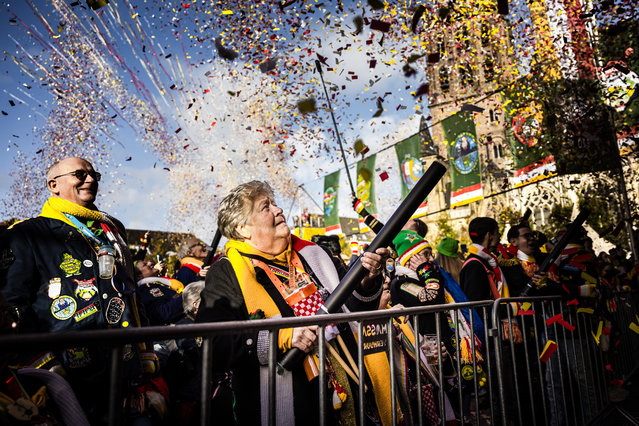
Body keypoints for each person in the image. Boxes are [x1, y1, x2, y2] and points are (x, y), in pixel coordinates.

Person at [196, 181, 390, 425]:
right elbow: (214, 343)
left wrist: (367, 282)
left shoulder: (315, 254)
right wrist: (280, 338)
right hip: (294, 407)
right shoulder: (226, 272)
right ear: (242, 227)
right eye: (266, 207)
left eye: (275, 203)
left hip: (351, 391)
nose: (279, 210)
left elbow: (354, 311)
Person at [0, 157, 160, 423]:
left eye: (94, 174)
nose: (91, 179)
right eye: (79, 174)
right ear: (54, 185)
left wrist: (144, 353)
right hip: (66, 374)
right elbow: (12, 305)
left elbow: (129, 293)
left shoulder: (111, 230)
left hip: (123, 367)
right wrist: (43, 365)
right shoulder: (26, 234)